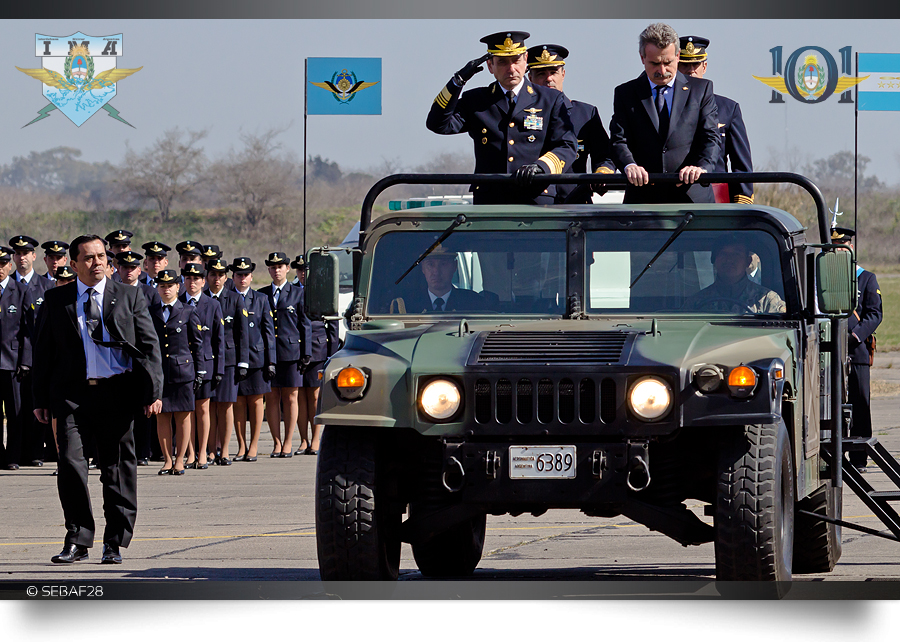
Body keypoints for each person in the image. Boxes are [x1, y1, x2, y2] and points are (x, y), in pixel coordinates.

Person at [32, 235, 163, 564]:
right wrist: (40, 398)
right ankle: (78, 537)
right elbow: (44, 353)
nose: (97, 263)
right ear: (73, 264)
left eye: (101, 256)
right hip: (72, 396)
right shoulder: (56, 299)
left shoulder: (129, 296)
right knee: (71, 466)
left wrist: (153, 392)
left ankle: (114, 542)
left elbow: (149, 347)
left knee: (116, 470)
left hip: (116, 393)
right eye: (88, 258)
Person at [426, 30, 577, 204]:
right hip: (490, 201)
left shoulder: (550, 99)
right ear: (490, 66)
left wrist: (541, 168)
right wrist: (457, 81)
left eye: (516, 60)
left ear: (526, 59)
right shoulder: (476, 100)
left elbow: (567, 145)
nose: (511, 68)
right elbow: (438, 124)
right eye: (503, 62)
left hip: (536, 198)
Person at [609, 22, 720, 204]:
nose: (662, 71)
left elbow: (711, 137)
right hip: (643, 198)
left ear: (677, 56)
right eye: (655, 63)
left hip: (691, 197)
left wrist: (701, 167)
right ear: (642, 57)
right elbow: (618, 140)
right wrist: (630, 166)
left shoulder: (701, 89)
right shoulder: (626, 93)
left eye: (667, 62)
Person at [526, 43, 615, 204]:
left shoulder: (586, 114)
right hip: (533, 206)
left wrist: (602, 173)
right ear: (530, 78)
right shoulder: (519, 115)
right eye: (541, 73)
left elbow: (605, 156)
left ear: (563, 74)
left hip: (576, 205)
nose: (549, 79)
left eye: (554, 72)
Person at [677, 36, 753, 205]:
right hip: (676, 196)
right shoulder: (665, 108)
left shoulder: (728, 108)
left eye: (695, 64)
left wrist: (741, 205)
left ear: (704, 66)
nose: (691, 71)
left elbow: (741, 164)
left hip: (716, 199)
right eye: (684, 65)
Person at [833, 226, 882, 472]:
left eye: (842, 247)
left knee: (860, 401)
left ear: (851, 248)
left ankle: (860, 457)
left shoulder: (866, 277)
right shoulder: (825, 277)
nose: (839, 251)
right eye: (834, 248)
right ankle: (835, 455)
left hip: (856, 351)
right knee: (833, 403)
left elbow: (875, 314)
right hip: (831, 350)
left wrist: (855, 335)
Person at [149, 269, 202, 476]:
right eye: (162, 286)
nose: (166, 289)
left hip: (183, 371)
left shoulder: (187, 311)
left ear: (178, 287)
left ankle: (180, 459)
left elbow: (197, 344)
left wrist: (200, 372)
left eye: (170, 286)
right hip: (159, 372)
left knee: (183, 417)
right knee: (162, 416)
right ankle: (167, 459)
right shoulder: (151, 311)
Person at [259, 252, 311, 458]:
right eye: (272, 267)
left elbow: (305, 325)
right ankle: (276, 441)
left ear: (288, 269)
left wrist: (306, 352)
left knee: (291, 397)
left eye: (280, 266)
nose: (276, 270)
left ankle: (289, 441)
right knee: (271, 398)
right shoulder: (262, 294)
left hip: (291, 352)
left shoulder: (298, 293)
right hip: (269, 354)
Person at [116, 250, 160, 466]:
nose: (128, 272)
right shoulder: (112, 291)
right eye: (124, 267)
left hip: (141, 355)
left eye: (132, 268)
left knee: (144, 408)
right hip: (120, 357)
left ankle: (143, 452)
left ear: (140, 270)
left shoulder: (150, 293)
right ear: (118, 269)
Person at [179, 262, 224, 469]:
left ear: (203, 281)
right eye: (188, 278)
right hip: (184, 365)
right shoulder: (178, 303)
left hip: (206, 362)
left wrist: (219, 368)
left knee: (203, 409)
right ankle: (189, 453)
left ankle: (204, 451)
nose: (192, 282)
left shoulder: (212, 304)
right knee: (187, 411)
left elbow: (218, 339)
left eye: (196, 279)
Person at [205, 258, 249, 465]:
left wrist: (243, 362)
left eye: (220, 275)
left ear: (226, 277)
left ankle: (225, 450)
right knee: (210, 406)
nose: (216, 279)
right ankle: (211, 450)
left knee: (226, 406)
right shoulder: (202, 298)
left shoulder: (234, 298)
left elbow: (243, 333)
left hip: (229, 360)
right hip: (207, 360)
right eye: (213, 274)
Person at [231, 257, 275, 462]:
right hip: (235, 358)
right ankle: (241, 445)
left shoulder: (261, 299)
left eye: (245, 275)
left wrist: (271, 361)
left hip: (256, 357)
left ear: (251, 276)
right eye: (238, 275)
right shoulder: (228, 298)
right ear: (233, 276)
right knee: (238, 403)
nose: (242, 278)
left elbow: (268, 332)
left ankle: (254, 445)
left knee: (257, 402)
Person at [295, 259, 340, 456]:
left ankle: (315, 438)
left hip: (317, 347)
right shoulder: (291, 290)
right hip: (295, 349)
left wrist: (332, 353)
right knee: (300, 397)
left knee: (314, 396)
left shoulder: (323, 291)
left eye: (307, 270)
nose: (303, 273)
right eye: (300, 270)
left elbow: (333, 323)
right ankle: (303, 439)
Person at [0, 246, 34, 471]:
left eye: (3, 264)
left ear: (10, 266)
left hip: (13, 362)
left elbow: (28, 331)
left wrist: (26, 361)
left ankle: (13, 456)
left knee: (16, 413)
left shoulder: (20, 290)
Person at [686, 239, 786, 313]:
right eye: (723, 254)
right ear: (713, 260)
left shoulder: (766, 300)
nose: (729, 260)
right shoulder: (696, 302)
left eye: (736, 254)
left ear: (748, 261)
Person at [388, 246, 487, 314]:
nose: (436, 272)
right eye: (430, 265)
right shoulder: (406, 305)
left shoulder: (473, 303)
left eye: (443, 264)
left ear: (454, 266)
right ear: (423, 268)